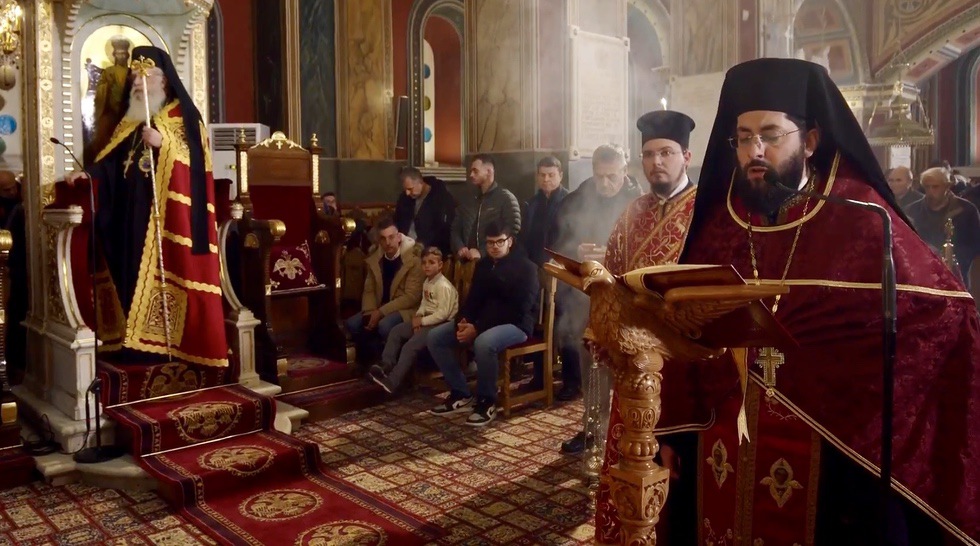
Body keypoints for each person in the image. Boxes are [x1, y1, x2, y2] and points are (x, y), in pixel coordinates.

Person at [597, 58, 980, 545]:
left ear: (810, 140)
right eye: (743, 137)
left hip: (831, 447)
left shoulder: (861, 213)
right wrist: (672, 430)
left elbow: (948, 314)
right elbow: (684, 333)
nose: (755, 151)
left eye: (771, 135)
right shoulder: (721, 219)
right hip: (722, 441)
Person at [66, 46, 228, 367]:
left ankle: (164, 346)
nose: (139, 83)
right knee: (127, 274)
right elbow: (111, 162)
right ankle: (133, 342)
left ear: (164, 81)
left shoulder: (184, 117)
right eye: (135, 77)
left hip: (162, 219)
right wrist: (88, 173)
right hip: (128, 214)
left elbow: (199, 167)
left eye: (146, 76)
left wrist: (164, 144)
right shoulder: (131, 120)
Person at [589, 112, 700, 543]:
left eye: (666, 153)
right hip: (632, 361)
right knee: (628, 453)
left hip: (684, 360)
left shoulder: (705, 211)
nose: (657, 162)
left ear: (685, 155)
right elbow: (612, 274)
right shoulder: (631, 212)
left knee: (676, 464)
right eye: (649, 154)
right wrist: (600, 328)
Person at [548, 143, 642, 452]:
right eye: (599, 176)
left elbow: (647, 253)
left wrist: (612, 255)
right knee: (592, 366)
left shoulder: (639, 202)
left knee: (627, 371)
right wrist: (577, 252)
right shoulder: (579, 198)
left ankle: (627, 433)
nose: (604, 183)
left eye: (611, 176)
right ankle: (592, 429)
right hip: (588, 299)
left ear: (624, 171)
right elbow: (559, 240)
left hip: (627, 301)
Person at [427, 222, 538, 427]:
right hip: (482, 323)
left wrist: (477, 328)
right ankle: (461, 392)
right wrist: (464, 320)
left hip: (517, 325)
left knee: (484, 343)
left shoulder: (527, 268)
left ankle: (487, 401)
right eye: (490, 243)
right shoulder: (484, 265)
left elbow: (518, 308)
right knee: (435, 337)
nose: (494, 247)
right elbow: (473, 299)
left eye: (499, 242)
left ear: (510, 241)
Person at [369, 247, 458, 394]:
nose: (427, 266)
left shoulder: (443, 286)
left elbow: (443, 314)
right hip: (425, 320)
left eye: (431, 262)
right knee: (396, 331)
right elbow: (424, 303)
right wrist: (418, 316)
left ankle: (393, 381)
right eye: (424, 263)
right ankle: (386, 364)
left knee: (410, 346)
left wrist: (421, 322)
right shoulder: (427, 282)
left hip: (440, 325)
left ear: (440, 265)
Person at [345, 217, 423, 364]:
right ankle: (367, 363)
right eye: (383, 238)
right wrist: (369, 311)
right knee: (353, 324)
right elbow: (369, 290)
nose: (388, 242)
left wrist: (380, 312)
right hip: (379, 306)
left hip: (404, 309)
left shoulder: (413, 261)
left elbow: (411, 297)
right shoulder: (376, 259)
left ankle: (386, 364)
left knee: (384, 325)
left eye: (391, 237)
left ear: (399, 237)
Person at [907, 167, 980, 285]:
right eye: (927, 187)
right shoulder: (912, 210)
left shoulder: (966, 210)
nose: (930, 191)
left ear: (947, 186)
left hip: (958, 274)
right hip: (923, 274)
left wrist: (952, 257)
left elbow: (975, 244)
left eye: (935, 187)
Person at [450, 155, 521, 261]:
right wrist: (460, 247)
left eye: (475, 171)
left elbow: (512, 230)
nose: (471, 175)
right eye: (471, 171)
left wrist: (483, 252)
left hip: (496, 261)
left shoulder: (506, 198)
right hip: (467, 261)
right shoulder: (468, 199)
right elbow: (455, 228)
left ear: (488, 171)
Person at [87, 37, 132, 164]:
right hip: (111, 112)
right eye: (118, 54)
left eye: (123, 54)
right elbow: (100, 90)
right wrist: (108, 87)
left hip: (128, 113)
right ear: (114, 55)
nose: (121, 56)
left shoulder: (131, 72)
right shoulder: (109, 71)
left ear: (127, 55)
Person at [393, 167, 456, 254]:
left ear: (421, 183)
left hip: (431, 248)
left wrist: (422, 243)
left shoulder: (441, 197)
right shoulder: (404, 198)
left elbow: (443, 228)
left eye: (410, 189)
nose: (407, 193)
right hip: (404, 246)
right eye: (405, 190)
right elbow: (397, 221)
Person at [520, 156, 568, 266]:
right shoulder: (531, 203)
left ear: (560, 176)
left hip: (559, 264)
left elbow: (572, 237)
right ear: (537, 176)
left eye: (551, 175)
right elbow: (524, 237)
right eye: (542, 175)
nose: (546, 179)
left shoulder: (569, 201)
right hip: (532, 264)